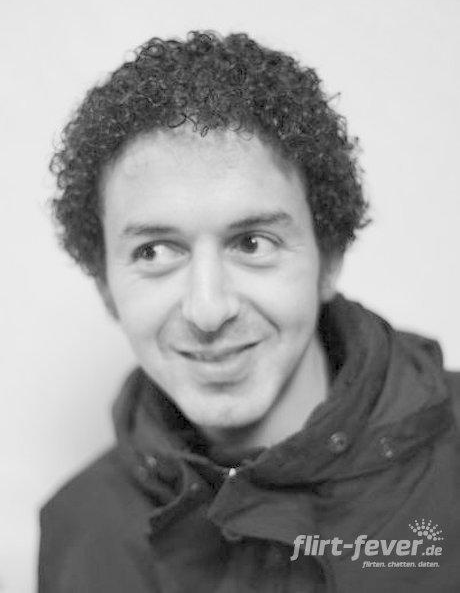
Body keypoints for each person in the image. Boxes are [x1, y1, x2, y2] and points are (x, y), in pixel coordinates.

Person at [39, 31, 460, 592]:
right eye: (155, 252)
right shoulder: (79, 530)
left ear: (328, 260)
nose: (208, 310)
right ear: (106, 287)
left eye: (252, 243)